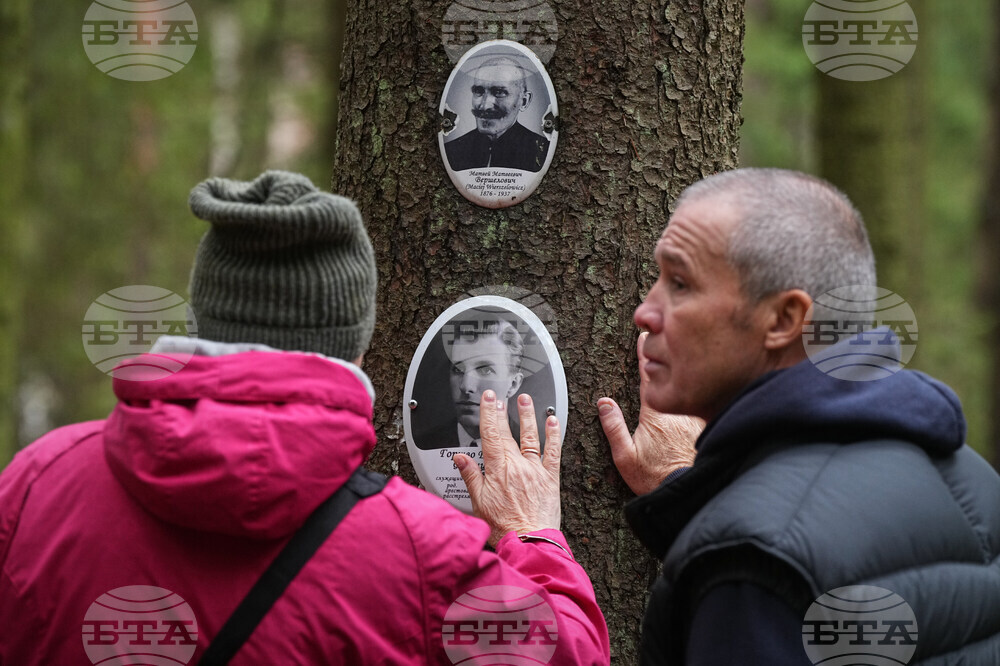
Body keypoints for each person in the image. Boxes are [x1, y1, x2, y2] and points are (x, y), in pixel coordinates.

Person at [0, 171, 609, 664]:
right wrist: (531, 534)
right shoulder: (420, 554)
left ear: (202, 321)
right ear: (356, 347)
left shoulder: (32, 488)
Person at [594, 168, 1000, 664]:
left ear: (784, 320)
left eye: (680, 283)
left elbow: (778, 566)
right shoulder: (976, 482)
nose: (645, 311)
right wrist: (691, 491)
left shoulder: (752, 567)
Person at [420, 319, 525, 448]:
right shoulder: (425, 445)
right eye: (458, 370)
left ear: (513, 384)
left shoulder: (530, 449)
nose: (466, 386)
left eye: (485, 370)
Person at [444, 56, 550, 172]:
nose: (485, 106)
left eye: (499, 92)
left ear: (524, 101)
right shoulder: (452, 150)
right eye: (479, 91)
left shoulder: (541, 150)